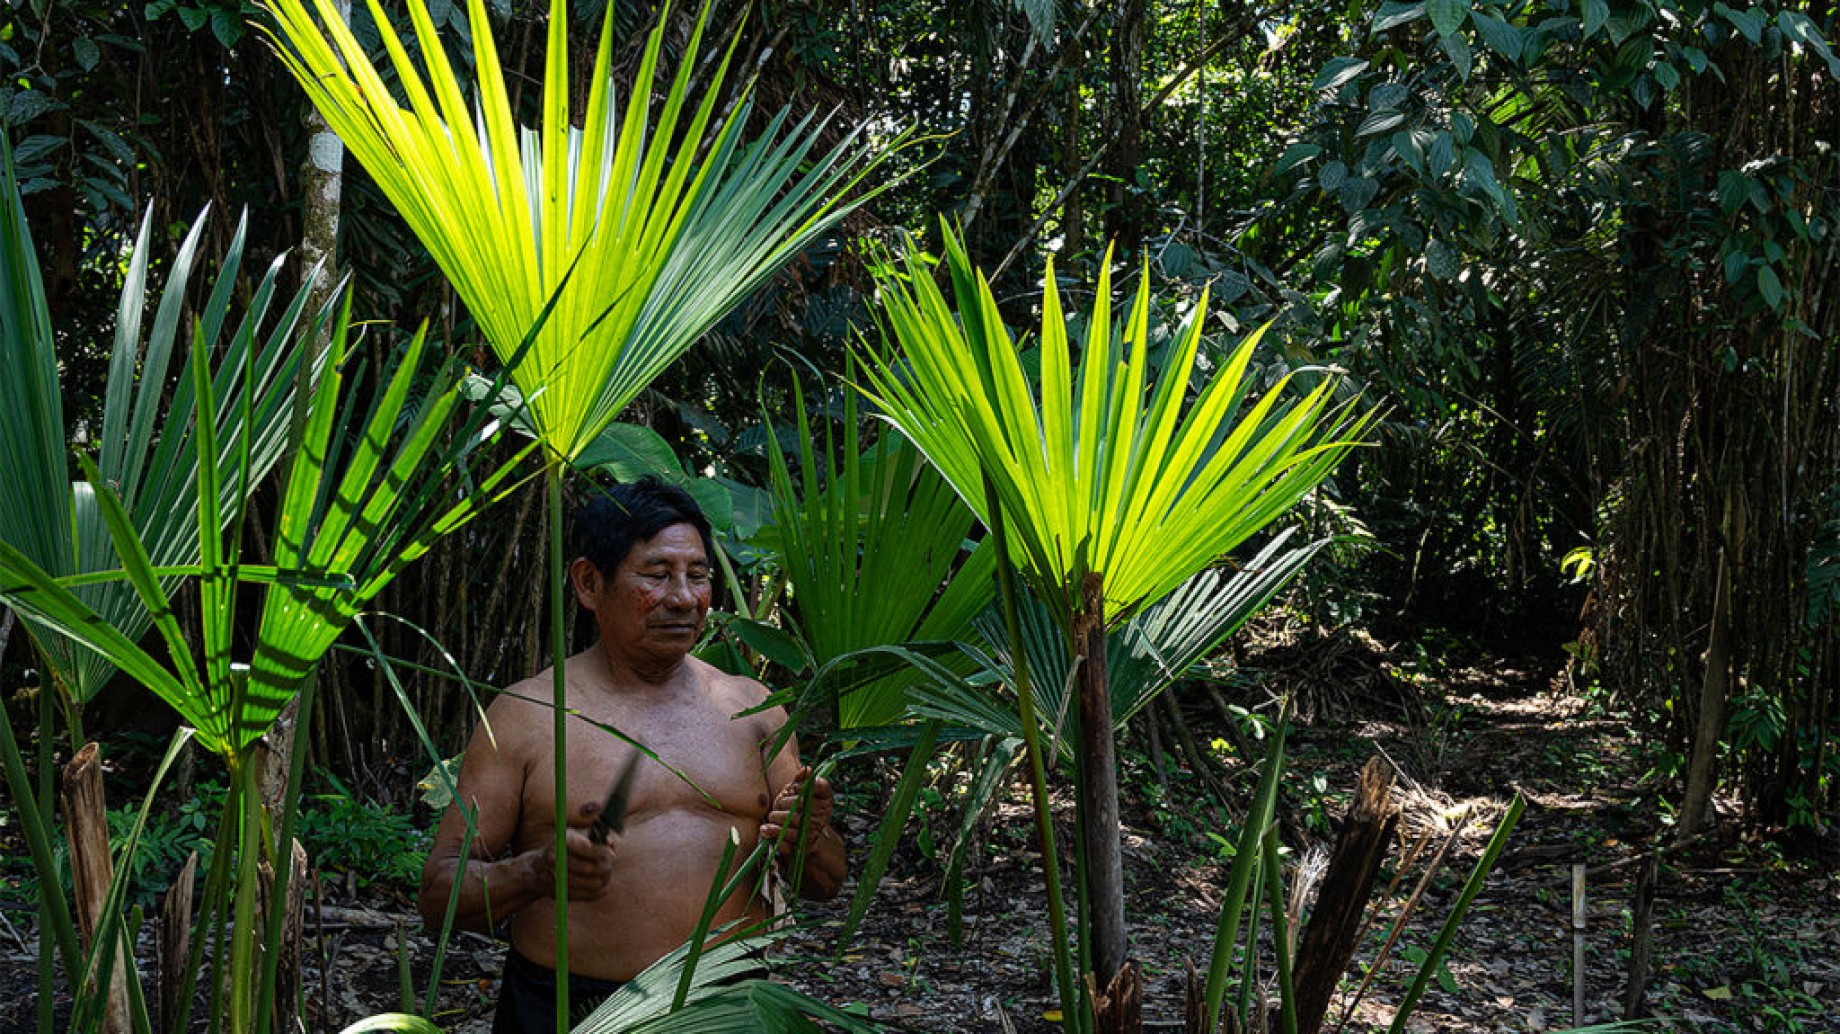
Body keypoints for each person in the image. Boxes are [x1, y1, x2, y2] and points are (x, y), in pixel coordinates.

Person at [417, 477, 845, 1033]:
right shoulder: (527, 716)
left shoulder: (753, 709)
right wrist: (534, 871)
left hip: (732, 1006)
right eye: (658, 574)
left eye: (697, 575)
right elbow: (437, 895)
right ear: (590, 583)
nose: (684, 598)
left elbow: (826, 882)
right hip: (573, 1009)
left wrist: (808, 838)